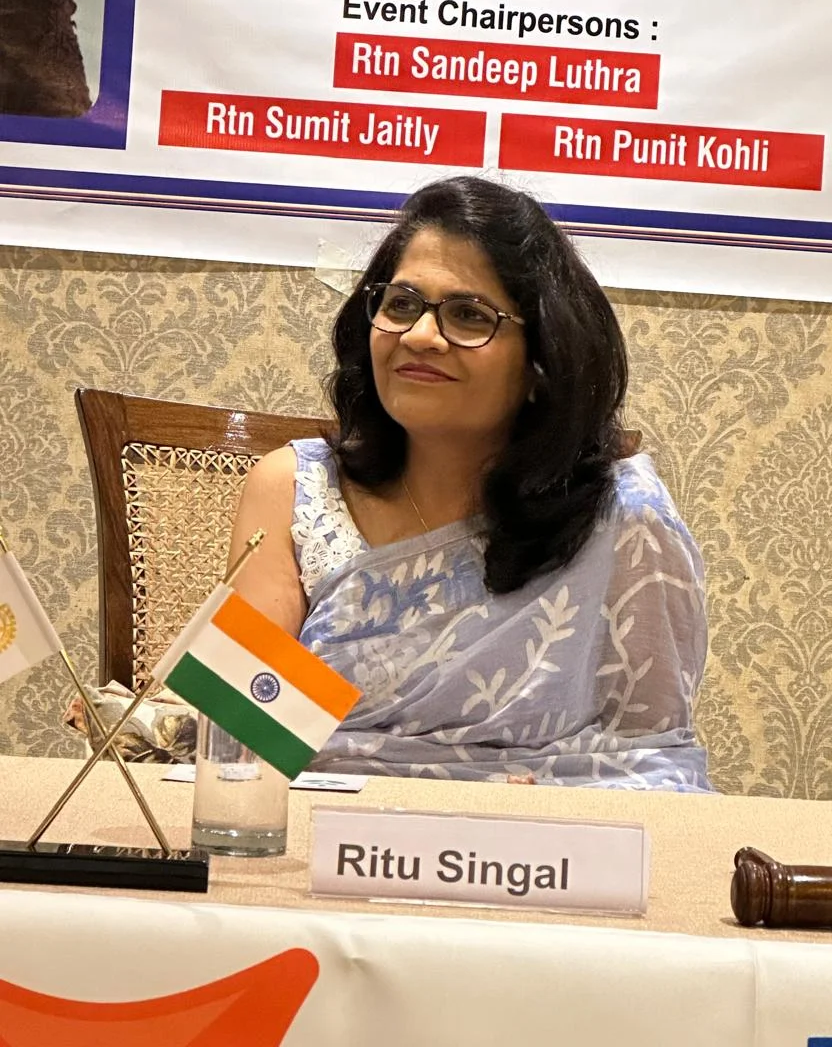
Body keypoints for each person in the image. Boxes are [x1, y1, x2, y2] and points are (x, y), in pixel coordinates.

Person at [229, 176, 711, 789]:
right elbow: (243, 737)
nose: (419, 336)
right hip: (318, 829)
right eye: (401, 304)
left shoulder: (621, 517)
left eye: (468, 315)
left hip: (539, 840)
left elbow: (653, 758)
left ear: (541, 363)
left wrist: (540, 816)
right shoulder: (293, 488)